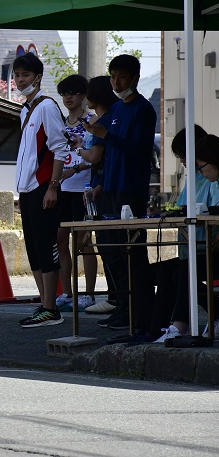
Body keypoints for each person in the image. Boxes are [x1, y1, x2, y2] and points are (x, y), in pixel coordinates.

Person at [83, 54, 156, 334]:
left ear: (135, 78)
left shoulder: (143, 109)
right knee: (111, 251)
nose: (116, 82)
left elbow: (139, 151)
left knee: (132, 254)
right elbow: (106, 154)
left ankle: (139, 313)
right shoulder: (115, 110)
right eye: (113, 76)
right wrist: (100, 184)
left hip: (131, 189)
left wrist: (106, 134)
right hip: (110, 188)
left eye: (122, 76)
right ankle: (123, 309)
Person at [13, 53, 69, 327]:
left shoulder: (47, 106)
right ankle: (44, 304)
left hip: (43, 187)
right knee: (34, 250)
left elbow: (60, 147)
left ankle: (50, 307)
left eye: (25, 75)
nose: (20, 80)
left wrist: (53, 187)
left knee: (46, 247)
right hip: (27, 191)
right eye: (17, 75)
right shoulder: (25, 110)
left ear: (37, 77)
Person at [154, 131, 219, 340]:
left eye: (201, 166)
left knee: (186, 269)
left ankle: (179, 327)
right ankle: (154, 329)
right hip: (203, 248)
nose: (199, 170)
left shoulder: (213, 182)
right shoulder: (208, 179)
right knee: (170, 270)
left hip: (210, 247)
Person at [70, 75, 120, 315]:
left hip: (102, 187)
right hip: (98, 184)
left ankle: (115, 297)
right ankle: (114, 296)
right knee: (102, 243)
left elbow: (95, 157)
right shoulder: (102, 119)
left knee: (108, 244)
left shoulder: (104, 120)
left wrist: (79, 148)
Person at [55, 74, 98, 312]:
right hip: (62, 188)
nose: (68, 97)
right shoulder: (59, 123)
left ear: (83, 95)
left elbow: (96, 157)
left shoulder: (92, 121)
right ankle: (67, 292)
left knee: (84, 241)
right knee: (61, 240)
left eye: (73, 93)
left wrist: (76, 168)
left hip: (84, 188)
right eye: (64, 93)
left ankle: (89, 294)